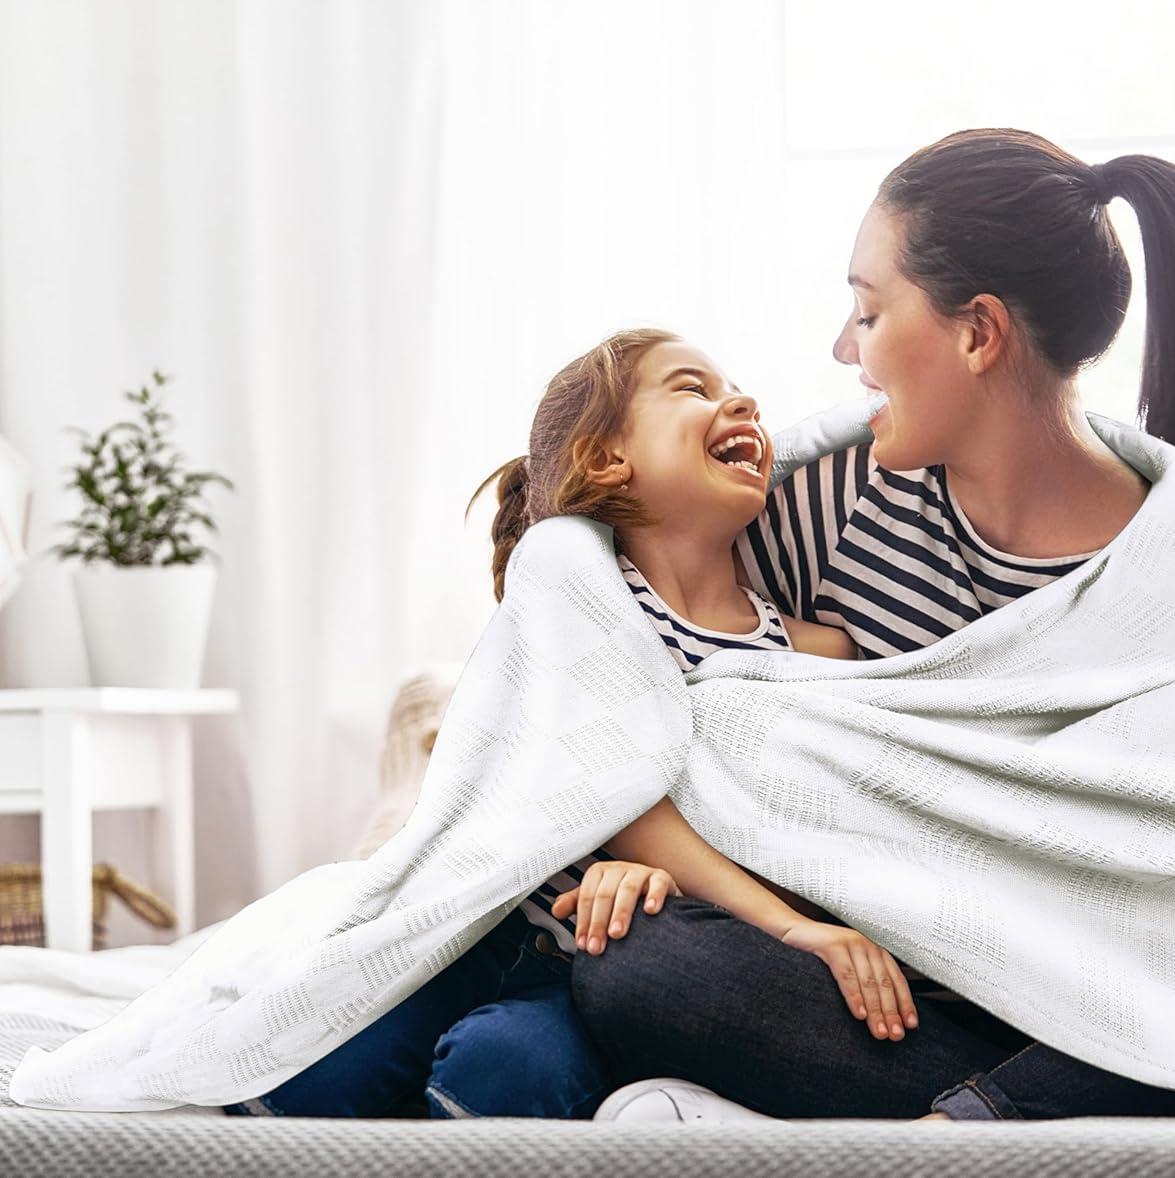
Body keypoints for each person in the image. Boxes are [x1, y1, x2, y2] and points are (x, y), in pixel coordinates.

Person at [568, 127, 1175, 1123]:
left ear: (978, 333)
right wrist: (638, 844)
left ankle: (958, 1128)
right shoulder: (831, 505)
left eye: (868, 311)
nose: (842, 349)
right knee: (642, 969)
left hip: (1110, 1009)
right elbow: (633, 660)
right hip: (894, 1008)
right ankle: (980, 1122)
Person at [225, 326, 935, 1119]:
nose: (743, 401)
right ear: (606, 461)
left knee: (501, 1076)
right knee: (293, 1075)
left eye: (734, 390)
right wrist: (787, 929)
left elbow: (799, 821)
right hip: (478, 938)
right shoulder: (575, 588)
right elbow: (611, 777)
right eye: (692, 388)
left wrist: (700, 903)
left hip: (591, 970)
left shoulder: (812, 651)